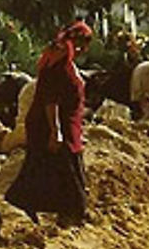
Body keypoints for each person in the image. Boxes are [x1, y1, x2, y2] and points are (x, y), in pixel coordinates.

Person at [5, 20, 93, 227]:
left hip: (63, 125)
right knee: (67, 168)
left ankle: (40, 205)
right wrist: (56, 132)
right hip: (52, 125)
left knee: (43, 168)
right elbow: (50, 100)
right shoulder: (59, 63)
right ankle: (73, 212)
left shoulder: (59, 59)